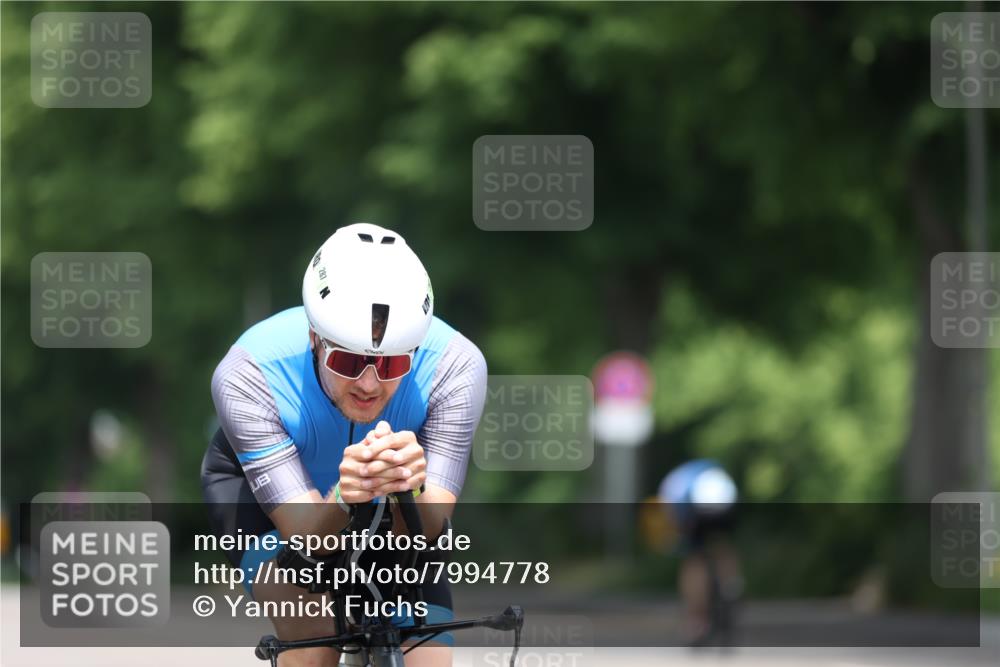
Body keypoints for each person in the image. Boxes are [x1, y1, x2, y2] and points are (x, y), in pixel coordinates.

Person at [201, 223, 488, 667]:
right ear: (314, 338)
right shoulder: (248, 373)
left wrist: (410, 488)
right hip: (272, 508)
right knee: (316, 641)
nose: (369, 385)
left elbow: (428, 531)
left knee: (426, 658)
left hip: (394, 501)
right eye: (348, 361)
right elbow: (307, 541)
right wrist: (342, 496)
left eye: (391, 365)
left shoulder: (456, 366)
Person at [657, 459, 742, 646]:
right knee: (722, 545)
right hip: (726, 501)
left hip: (696, 507)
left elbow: (675, 519)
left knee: (694, 558)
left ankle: (696, 621)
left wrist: (678, 537)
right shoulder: (711, 469)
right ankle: (732, 585)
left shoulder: (672, 485)